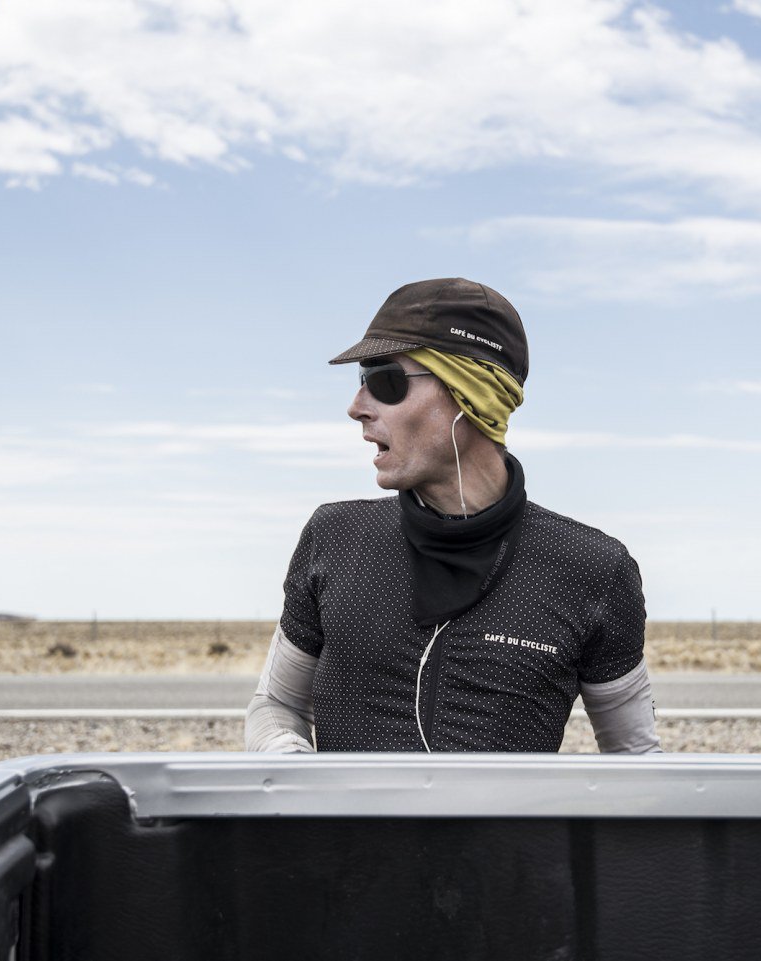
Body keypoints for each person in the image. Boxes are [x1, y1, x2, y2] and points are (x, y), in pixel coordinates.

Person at [245, 277, 662, 754]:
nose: (356, 407)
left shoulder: (593, 568)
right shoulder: (336, 537)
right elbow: (276, 702)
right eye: (361, 382)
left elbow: (635, 757)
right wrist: (288, 761)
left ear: (472, 394)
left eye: (384, 381)